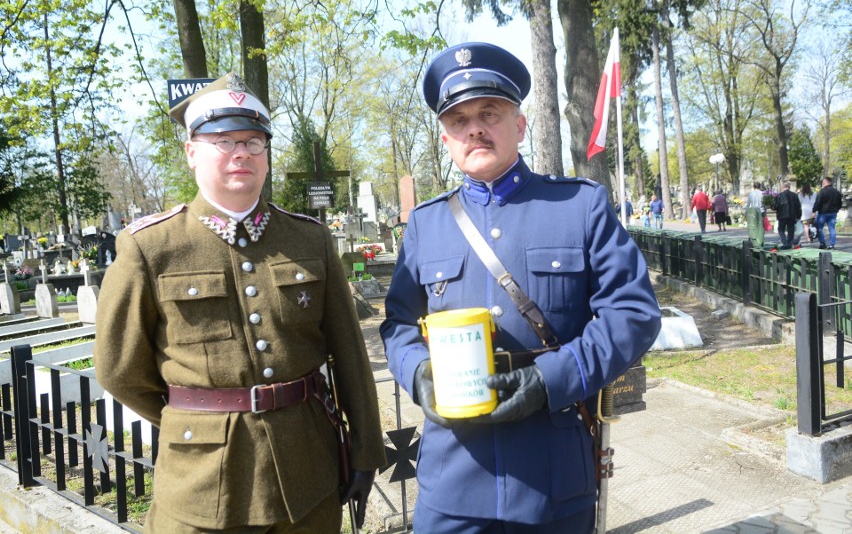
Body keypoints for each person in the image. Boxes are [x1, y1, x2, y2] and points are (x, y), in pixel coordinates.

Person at [380, 42, 662, 533]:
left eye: (489, 112)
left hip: (553, 474)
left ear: (520, 125)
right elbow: (397, 326)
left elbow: (633, 314)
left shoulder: (579, 207)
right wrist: (418, 372)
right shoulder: (426, 226)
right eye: (458, 121)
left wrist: (550, 379)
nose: (474, 128)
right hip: (452, 481)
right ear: (446, 139)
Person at [94, 73, 386, 533]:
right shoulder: (151, 246)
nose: (242, 153)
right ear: (192, 152)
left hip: (308, 472)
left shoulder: (308, 238)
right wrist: (197, 415)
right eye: (224, 140)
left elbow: (349, 355)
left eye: (254, 142)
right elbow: (119, 369)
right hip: (202, 486)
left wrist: (365, 450)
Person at [813, 176, 843, 250]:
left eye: (823, 182)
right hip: (833, 212)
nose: (822, 183)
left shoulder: (822, 192)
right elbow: (840, 203)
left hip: (823, 212)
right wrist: (837, 209)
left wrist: (814, 210)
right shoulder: (837, 192)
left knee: (819, 228)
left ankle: (822, 243)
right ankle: (832, 245)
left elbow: (818, 202)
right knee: (832, 229)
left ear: (825, 182)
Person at [775, 181, 802, 250]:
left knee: (781, 229)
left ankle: (784, 242)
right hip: (792, 215)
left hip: (782, 215)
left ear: (783, 187)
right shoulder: (794, 195)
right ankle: (790, 242)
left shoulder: (779, 196)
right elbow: (798, 206)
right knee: (791, 229)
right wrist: (798, 216)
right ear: (789, 187)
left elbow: (776, 206)